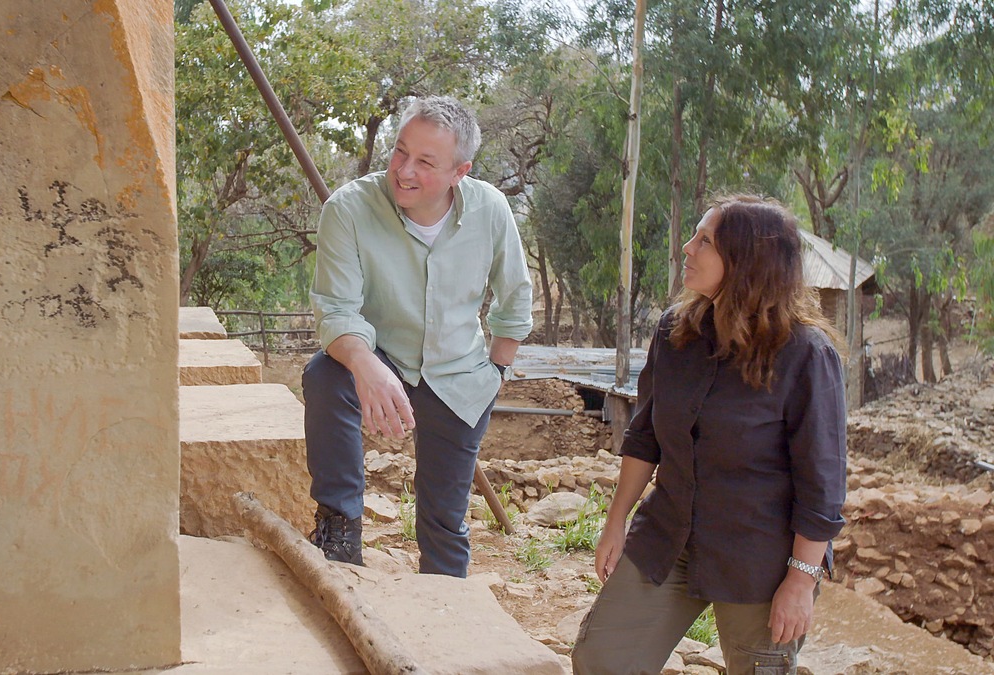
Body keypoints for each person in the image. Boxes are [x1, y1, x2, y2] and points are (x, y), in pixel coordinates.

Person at [570, 195, 847, 674]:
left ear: (745, 262)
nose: (686, 247)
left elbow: (821, 483)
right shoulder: (676, 332)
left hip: (760, 557)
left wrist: (800, 581)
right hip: (668, 536)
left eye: (705, 241)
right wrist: (616, 522)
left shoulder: (806, 355)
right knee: (601, 659)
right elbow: (644, 437)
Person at [302, 95, 533, 578]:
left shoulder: (490, 210)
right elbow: (337, 310)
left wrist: (496, 371)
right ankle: (339, 529)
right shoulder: (348, 209)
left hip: (460, 376)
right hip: (380, 356)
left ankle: (447, 623)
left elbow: (514, 298)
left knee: (444, 526)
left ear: (459, 171)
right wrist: (367, 368)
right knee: (325, 376)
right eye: (399, 152)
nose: (404, 171)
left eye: (425, 162)